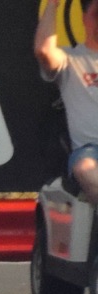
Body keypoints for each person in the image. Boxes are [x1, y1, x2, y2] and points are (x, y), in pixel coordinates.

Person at [36, 0, 98, 204]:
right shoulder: (70, 59)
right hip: (91, 151)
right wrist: (53, 4)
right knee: (85, 168)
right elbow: (44, 51)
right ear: (84, 19)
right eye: (97, 15)